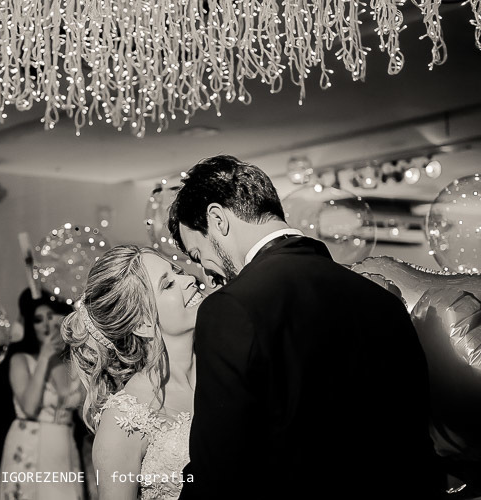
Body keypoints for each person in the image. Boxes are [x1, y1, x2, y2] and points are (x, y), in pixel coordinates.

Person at [168, 155, 441, 499]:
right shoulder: (381, 300)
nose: (206, 272)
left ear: (218, 219)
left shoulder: (231, 307)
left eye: (197, 254)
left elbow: (221, 469)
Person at [62, 245, 202, 500]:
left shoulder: (221, 369)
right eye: (167, 284)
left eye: (177, 271)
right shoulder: (124, 419)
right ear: (143, 324)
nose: (190, 279)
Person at [0, 290, 85, 500]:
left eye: (50, 317)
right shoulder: (21, 360)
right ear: (31, 325)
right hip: (29, 443)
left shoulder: (74, 362)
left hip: (64, 443)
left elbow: (85, 408)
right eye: (38, 320)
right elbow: (29, 407)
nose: (46, 325)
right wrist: (45, 356)